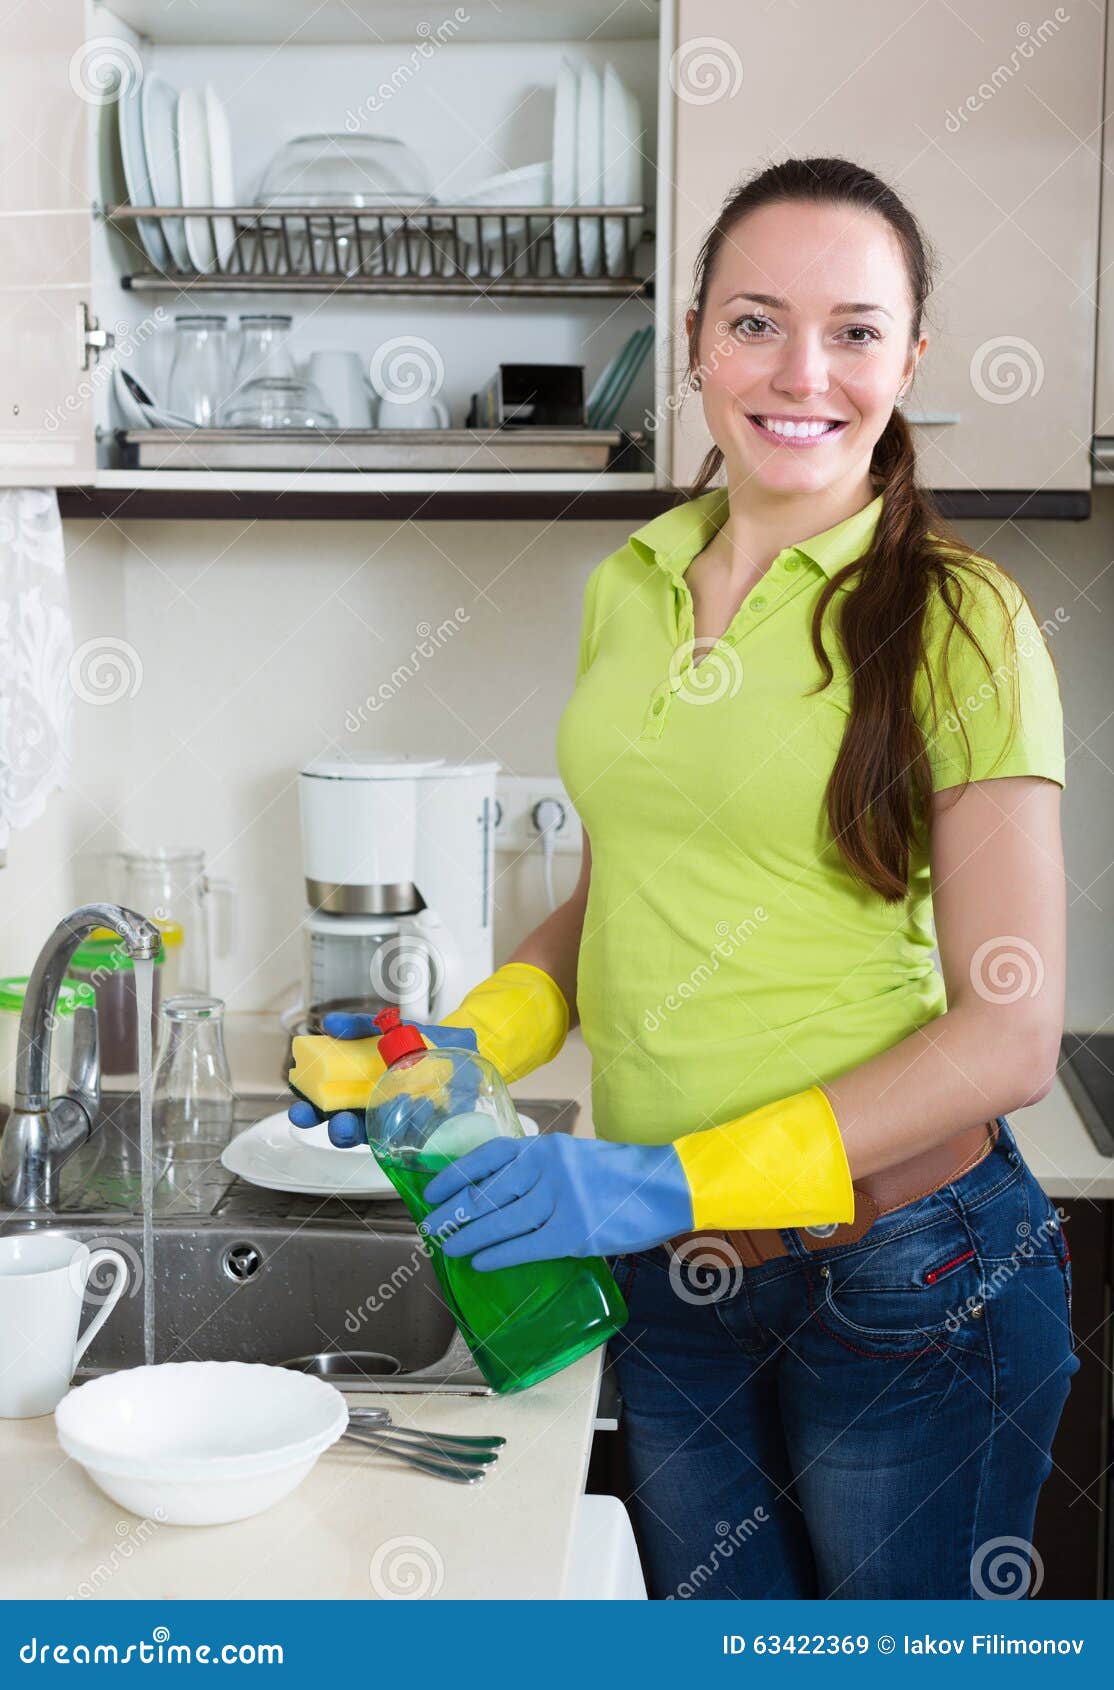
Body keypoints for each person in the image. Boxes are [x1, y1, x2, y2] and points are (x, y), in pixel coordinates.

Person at [291, 156, 1077, 1600]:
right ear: (695, 342)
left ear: (909, 358)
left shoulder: (960, 619)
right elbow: (622, 891)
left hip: (906, 1272)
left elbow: (1009, 1032)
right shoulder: (632, 581)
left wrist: (653, 1179)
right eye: (755, 321)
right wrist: (466, 1045)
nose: (801, 371)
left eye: (853, 330)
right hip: (673, 1278)